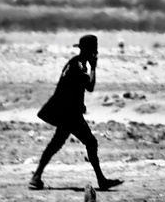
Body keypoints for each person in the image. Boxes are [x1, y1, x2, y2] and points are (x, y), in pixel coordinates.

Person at [29, 34, 121, 191]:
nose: (96, 52)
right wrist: (94, 68)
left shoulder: (74, 63)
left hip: (66, 111)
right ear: (88, 50)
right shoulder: (79, 66)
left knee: (56, 144)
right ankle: (101, 180)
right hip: (69, 113)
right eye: (94, 49)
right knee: (90, 142)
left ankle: (36, 177)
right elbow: (90, 87)